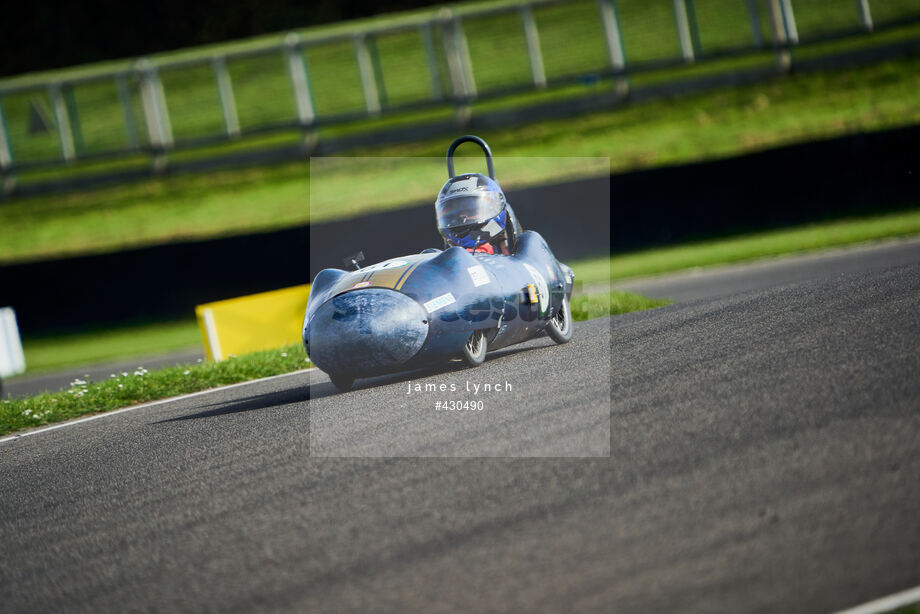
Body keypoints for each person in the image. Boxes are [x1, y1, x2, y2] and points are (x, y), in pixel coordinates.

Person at [435, 173, 522, 255]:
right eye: (454, 214)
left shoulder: (507, 249)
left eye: (471, 210)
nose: (463, 217)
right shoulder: (449, 259)